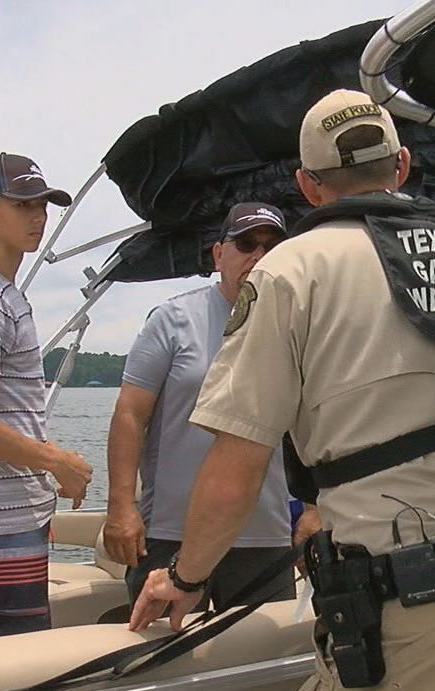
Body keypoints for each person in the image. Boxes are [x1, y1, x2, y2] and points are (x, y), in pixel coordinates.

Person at [129, 89, 435, 691]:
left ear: (308, 187)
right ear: (401, 166)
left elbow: (236, 472)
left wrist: (185, 578)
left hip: (417, 614)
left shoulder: (291, 272)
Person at [106, 202, 299, 609]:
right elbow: (130, 414)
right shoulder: (171, 320)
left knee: (263, 666)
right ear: (218, 254)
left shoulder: (300, 324)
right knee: (159, 658)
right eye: (245, 244)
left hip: (267, 536)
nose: (258, 256)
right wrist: (122, 506)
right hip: (172, 533)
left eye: (272, 246)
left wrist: (316, 507)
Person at [0, 152, 93, 639]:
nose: (38, 217)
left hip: (6, 511)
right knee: (10, 660)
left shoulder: (1, 294)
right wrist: (55, 461)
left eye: (43, 205)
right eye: (22, 204)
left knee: (12, 650)